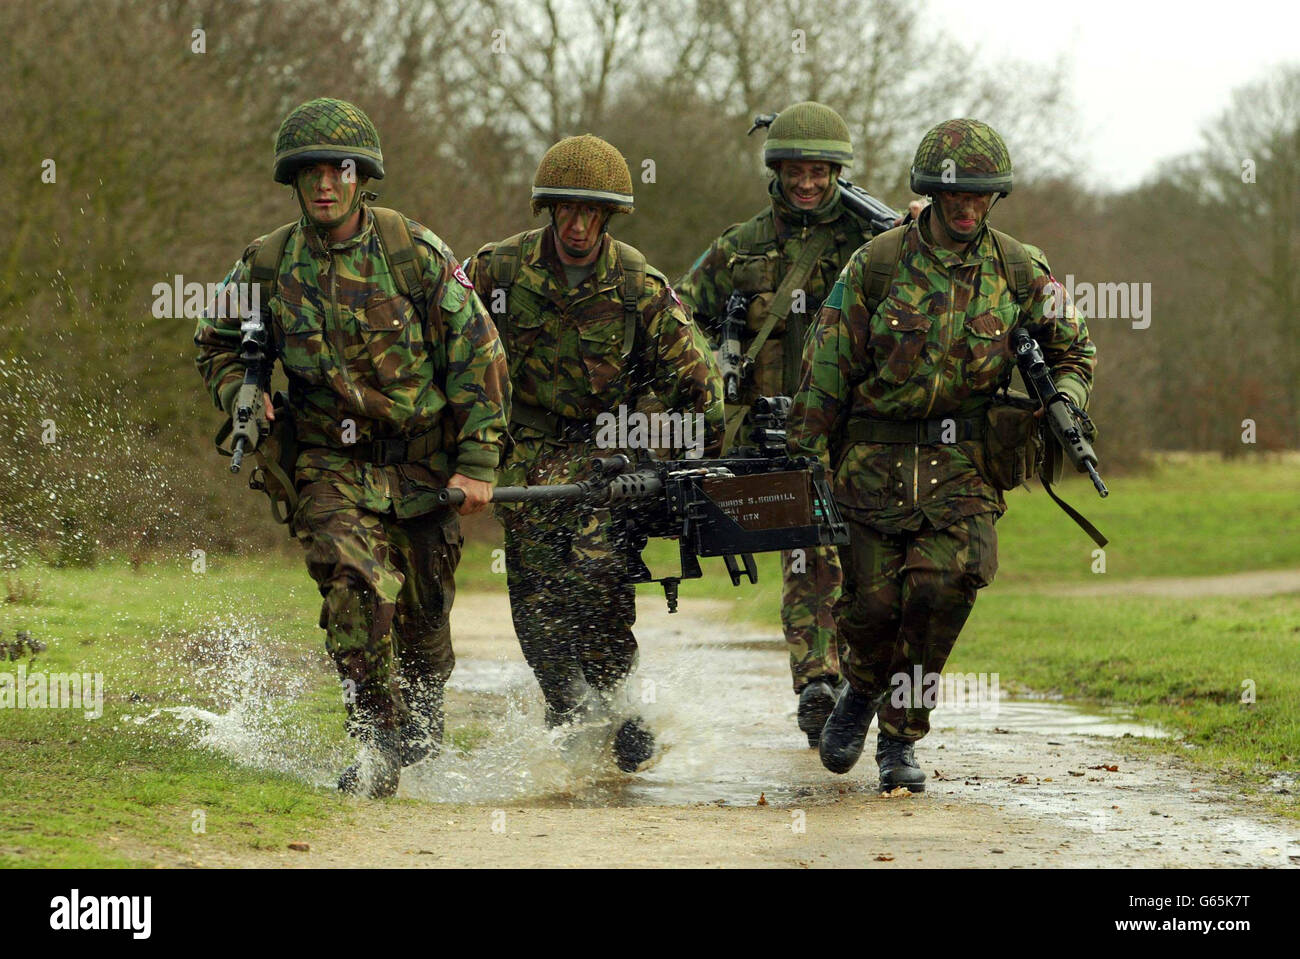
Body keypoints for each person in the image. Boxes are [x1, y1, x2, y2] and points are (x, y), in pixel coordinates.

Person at [195, 98, 510, 797]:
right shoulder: (268, 263)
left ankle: (419, 712)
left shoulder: (414, 254)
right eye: (309, 172)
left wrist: (478, 462)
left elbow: (479, 356)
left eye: (338, 170)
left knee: (425, 624)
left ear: (362, 176)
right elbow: (214, 342)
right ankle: (376, 741)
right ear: (295, 181)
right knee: (351, 589)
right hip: (328, 463)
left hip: (423, 462)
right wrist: (240, 394)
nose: (324, 184)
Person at [787, 118, 1096, 791]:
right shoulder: (877, 263)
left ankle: (901, 737)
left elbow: (1075, 348)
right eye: (954, 197)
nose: (965, 208)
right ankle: (861, 690)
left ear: (994, 199)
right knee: (871, 610)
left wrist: (1066, 397)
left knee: (944, 588)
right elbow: (826, 366)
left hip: (963, 465)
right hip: (873, 461)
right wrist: (809, 458)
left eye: (978, 197)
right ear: (930, 193)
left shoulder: (1019, 267)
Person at [463, 134, 724, 771]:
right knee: (534, 588)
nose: (578, 225)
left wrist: (667, 460)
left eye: (592, 212)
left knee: (599, 572)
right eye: (567, 210)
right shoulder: (497, 269)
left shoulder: (638, 283)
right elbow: (450, 347)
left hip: (607, 455)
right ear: (549, 210)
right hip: (521, 449)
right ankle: (563, 701)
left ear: (608, 217)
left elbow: (700, 391)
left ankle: (616, 699)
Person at [676, 102, 899, 747]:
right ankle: (817, 685)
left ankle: (857, 686)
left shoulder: (874, 248)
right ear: (776, 171)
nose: (806, 183)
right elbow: (679, 316)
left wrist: (920, 231)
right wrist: (706, 389)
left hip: (856, 429)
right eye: (794, 170)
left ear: (837, 173)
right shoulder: (739, 249)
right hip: (773, 433)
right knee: (810, 550)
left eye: (819, 171)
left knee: (866, 562)